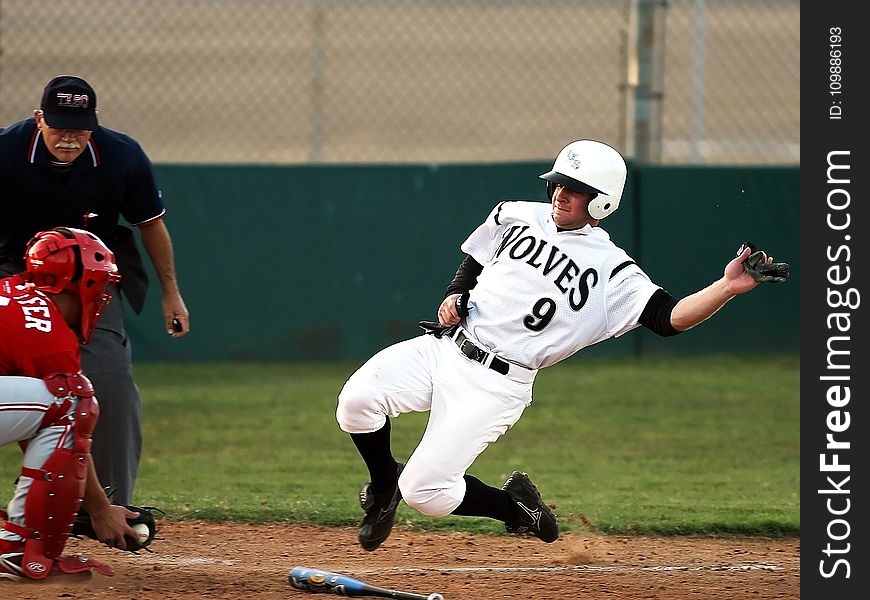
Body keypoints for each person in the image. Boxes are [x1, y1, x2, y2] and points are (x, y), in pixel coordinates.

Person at [336, 139, 789, 551]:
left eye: (575, 189)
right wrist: (455, 293)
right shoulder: (516, 213)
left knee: (426, 493)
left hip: (494, 386)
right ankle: (381, 489)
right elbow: (476, 256)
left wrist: (726, 287)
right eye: (557, 184)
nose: (560, 195)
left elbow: (669, 319)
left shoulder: (613, 272)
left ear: (603, 201)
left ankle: (517, 508)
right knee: (356, 402)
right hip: (446, 347)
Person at [0, 75, 190, 506]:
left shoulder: (121, 155)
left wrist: (171, 293)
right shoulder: (6, 150)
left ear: (94, 124)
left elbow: (151, 226)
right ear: (38, 119)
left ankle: (109, 504)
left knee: (110, 380)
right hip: (13, 266)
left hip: (90, 276)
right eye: (59, 126)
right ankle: (44, 491)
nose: (69, 138)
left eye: (79, 128)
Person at [0, 227, 143, 581]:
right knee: (71, 398)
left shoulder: (12, 291)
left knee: (58, 405)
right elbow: (67, 418)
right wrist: (98, 508)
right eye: (101, 283)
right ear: (80, 283)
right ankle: (20, 551)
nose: (104, 294)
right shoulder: (48, 331)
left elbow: (36, 428)